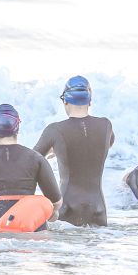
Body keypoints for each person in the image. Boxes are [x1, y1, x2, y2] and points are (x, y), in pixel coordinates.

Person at [0, 104, 62, 233]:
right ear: (17, 129)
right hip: (31, 227)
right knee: (54, 214)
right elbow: (56, 203)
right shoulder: (36, 158)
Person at [33, 75, 114, 226]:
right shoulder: (106, 125)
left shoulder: (55, 130)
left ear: (65, 100)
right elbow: (104, 145)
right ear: (89, 101)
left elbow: (31, 162)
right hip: (99, 209)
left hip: (67, 207)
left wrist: (60, 150)